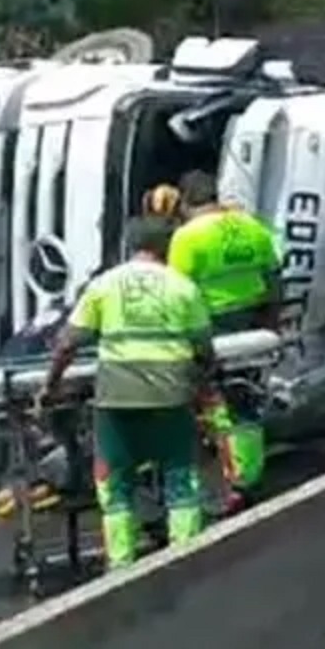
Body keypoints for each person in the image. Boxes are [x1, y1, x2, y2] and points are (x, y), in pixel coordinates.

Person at [37, 216, 214, 571]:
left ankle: (121, 564)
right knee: (180, 476)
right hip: (171, 395)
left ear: (130, 246)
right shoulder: (183, 286)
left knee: (115, 483)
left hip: (117, 396)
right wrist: (199, 383)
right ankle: (186, 555)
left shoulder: (104, 285)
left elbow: (67, 344)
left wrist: (50, 386)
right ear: (165, 248)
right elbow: (204, 349)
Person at [167, 170, 278, 505]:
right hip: (253, 321)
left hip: (212, 326)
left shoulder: (187, 237)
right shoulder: (251, 225)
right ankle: (249, 472)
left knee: (216, 402)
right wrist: (270, 322)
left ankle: (235, 477)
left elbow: (177, 293)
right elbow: (274, 275)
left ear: (185, 202)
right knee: (246, 400)